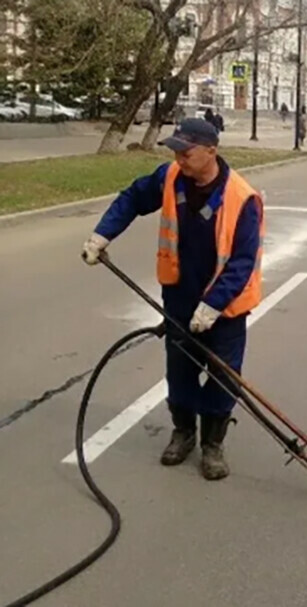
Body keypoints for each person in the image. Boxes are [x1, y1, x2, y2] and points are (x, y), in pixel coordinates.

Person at [81, 118, 264, 481]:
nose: (178, 157)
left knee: (224, 376)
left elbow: (243, 261)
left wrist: (213, 305)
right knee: (180, 370)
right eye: (176, 150)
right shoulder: (170, 178)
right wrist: (102, 234)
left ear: (211, 151)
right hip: (179, 296)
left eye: (186, 151)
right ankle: (183, 433)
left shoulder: (243, 199)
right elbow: (133, 197)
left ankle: (213, 444)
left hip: (225, 308)